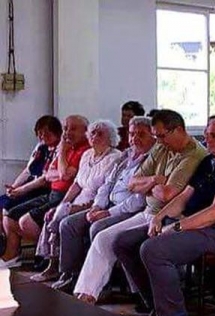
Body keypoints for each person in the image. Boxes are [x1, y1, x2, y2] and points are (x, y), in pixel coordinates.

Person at [115, 117, 215, 316]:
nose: (207, 139)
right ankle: (157, 307)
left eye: (214, 135)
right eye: (206, 135)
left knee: (153, 249)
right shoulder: (209, 161)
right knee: (123, 242)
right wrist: (159, 217)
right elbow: (184, 197)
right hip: (194, 223)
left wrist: (177, 227)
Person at [73, 109, 206, 304]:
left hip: (169, 216)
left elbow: (167, 194)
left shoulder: (193, 154)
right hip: (148, 212)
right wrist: (154, 180)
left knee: (125, 243)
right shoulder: (162, 147)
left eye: (161, 136)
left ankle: (149, 300)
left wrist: (148, 187)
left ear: (178, 130)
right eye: (156, 136)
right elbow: (132, 183)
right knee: (103, 237)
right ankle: (87, 294)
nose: (158, 141)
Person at [54, 116, 155, 292]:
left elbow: (139, 199)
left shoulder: (153, 159)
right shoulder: (126, 155)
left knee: (97, 227)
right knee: (69, 224)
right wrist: (97, 206)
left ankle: (103, 285)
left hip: (129, 211)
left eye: (141, 134)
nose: (134, 139)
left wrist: (108, 213)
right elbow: (107, 184)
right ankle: (72, 275)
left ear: (153, 136)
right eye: (132, 134)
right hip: (108, 205)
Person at [31, 120, 123, 282]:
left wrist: (81, 208)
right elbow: (77, 184)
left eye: (100, 134)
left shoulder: (115, 157)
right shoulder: (87, 154)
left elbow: (106, 189)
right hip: (79, 199)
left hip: (96, 203)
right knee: (53, 214)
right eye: (92, 133)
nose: (94, 136)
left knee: (65, 222)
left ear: (111, 138)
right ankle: (52, 266)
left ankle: (69, 272)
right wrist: (63, 204)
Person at [1, 115, 90, 268]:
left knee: (26, 222)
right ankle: (12, 255)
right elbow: (47, 174)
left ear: (86, 131)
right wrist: (17, 188)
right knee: (10, 214)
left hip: (65, 196)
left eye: (73, 129)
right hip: (52, 193)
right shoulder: (54, 148)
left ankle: (49, 253)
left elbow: (64, 174)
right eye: (66, 129)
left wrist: (62, 153)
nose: (67, 133)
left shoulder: (83, 151)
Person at [0, 116, 61, 211]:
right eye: (40, 134)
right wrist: (14, 187)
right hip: (28, 185)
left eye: (46, 134)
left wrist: (21, 190)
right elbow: (28, 170)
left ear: (57, 133)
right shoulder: (40, 147)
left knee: (8, 208)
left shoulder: (60, 150)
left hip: (41, 190)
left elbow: (44, 179)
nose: (42, 137)